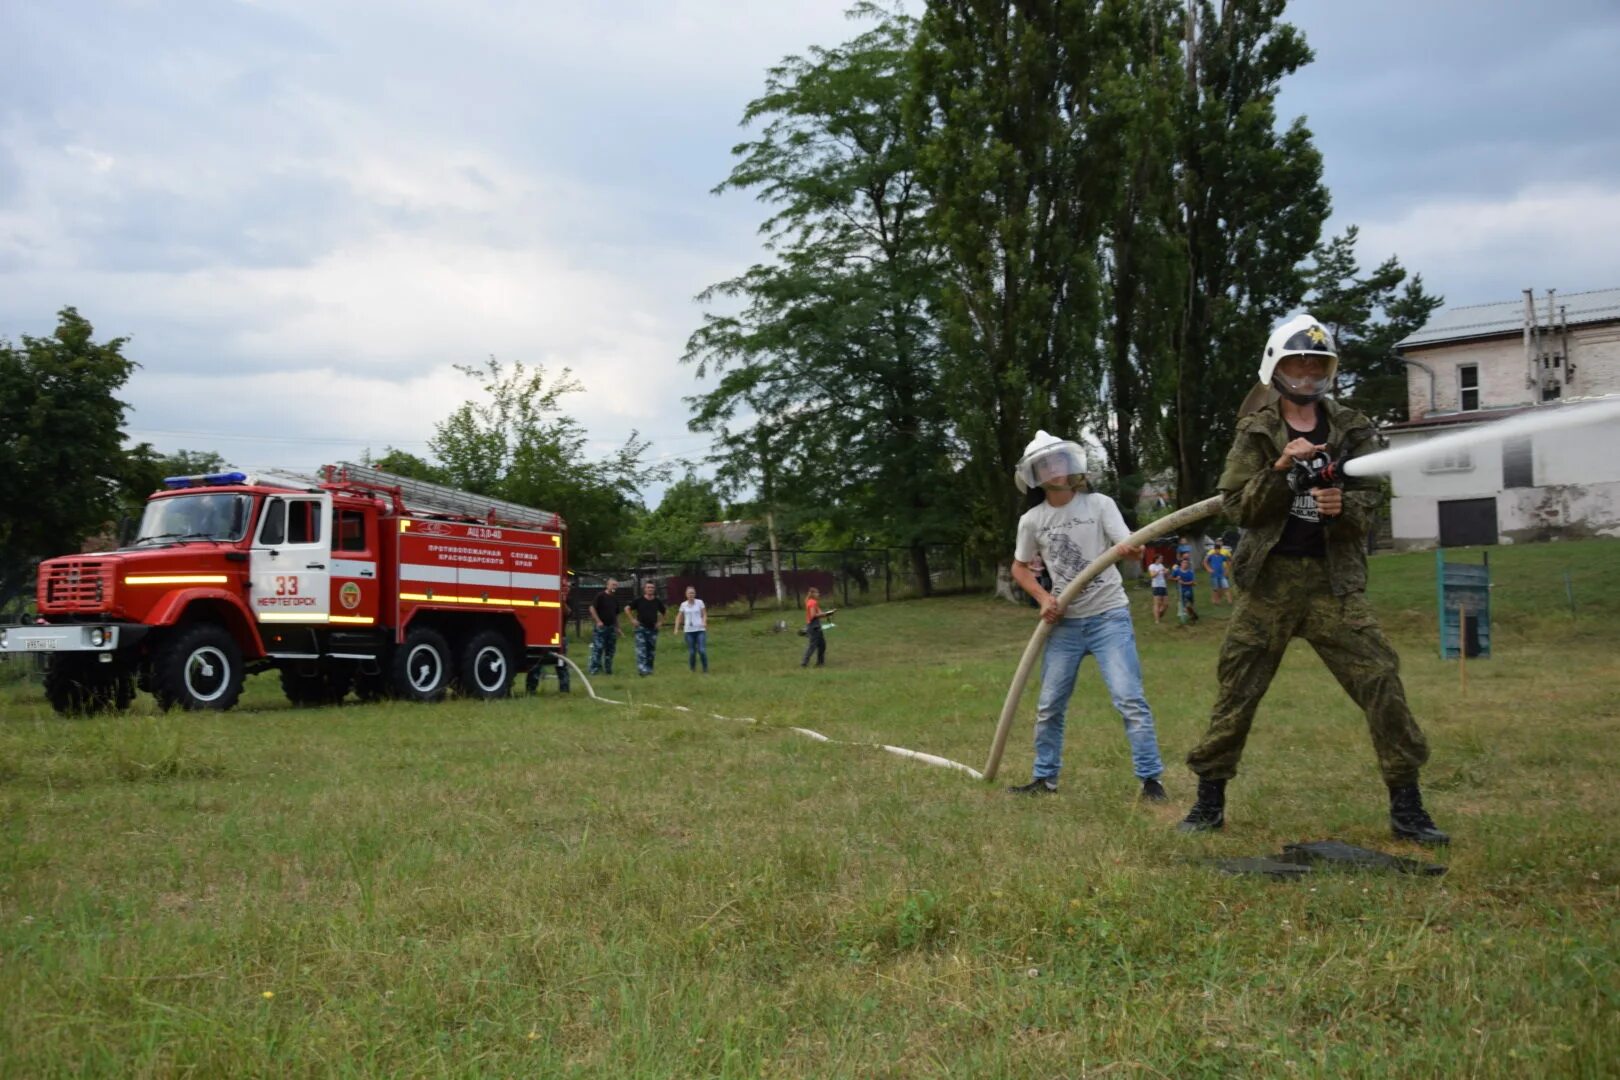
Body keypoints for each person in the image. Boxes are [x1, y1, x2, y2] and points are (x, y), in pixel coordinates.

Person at [1177, 314, 1448, 845]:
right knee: (1237, 691)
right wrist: (1280, 470)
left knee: (1381, 680)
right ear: (1275, 368)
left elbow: (1372, 502)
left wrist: (1340, 506)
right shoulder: (1256, 430)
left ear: (1330, 372)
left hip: (1333, 584)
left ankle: (1408, 808)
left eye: (1317, 367)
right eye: (1297, 366)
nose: (1306, 377)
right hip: (1269, 585)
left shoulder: (1354, 427)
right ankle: (1209, 802)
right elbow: (1237, 508)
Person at [1008, 431, 1169, 802]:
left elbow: (1126, 545)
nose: (1056, 469)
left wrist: (1132, 551)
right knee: (1049, 706)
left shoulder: (1099, 504)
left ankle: (1151, 781)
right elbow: (1019, 569)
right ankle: (1044, 779)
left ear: (1073, 464)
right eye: (1046, 464)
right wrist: (1043, 597)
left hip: (1109, 617)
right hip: (1063, 625)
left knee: (1129, 698)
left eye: (1060, 461)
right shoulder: (1032, 520)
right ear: (1035, 474)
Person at [527, 571, 574, 693]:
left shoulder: (568, 601)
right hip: (543, 636)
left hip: (560, 637)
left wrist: (561, 599)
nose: (567, 589)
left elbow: (567, 612)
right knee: (536, 663)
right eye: (564, 586)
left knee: (561, 664)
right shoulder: (548, 598)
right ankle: (530, 690)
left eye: (568, 587)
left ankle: (564, 690)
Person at [586, 578, 624, 676]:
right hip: (601, 628)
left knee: (610, 650)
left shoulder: (615, 599)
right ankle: (594, 669)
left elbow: (616, 615)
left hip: (611, 628)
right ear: (607, 585)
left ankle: (608, 670)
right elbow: (592, 608)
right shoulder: (601, 596)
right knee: (598, 649)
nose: (614, 587)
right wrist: (598, 621)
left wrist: (618, 628)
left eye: (616, 585)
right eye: (612, 585)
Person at [630, 580, 667, 676]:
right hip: (641, 628)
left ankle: (649, 670)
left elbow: (664, 612)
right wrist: (632, 620)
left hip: (653, 629)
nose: (650, 589)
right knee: (642, 650)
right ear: (644, 589)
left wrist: (660, 622)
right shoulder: (639, 600)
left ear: (654, 589)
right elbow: (627, 608)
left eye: (652, 588)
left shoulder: (657, 601)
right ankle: (642, 670)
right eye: (648, 587)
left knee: (651, 651)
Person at [674, 584, 709, 673]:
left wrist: (704, 622)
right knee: (692, 652)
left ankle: (705, 669)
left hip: (700, 630)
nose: (691, 595)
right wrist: (676, 628)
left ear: (695, 594)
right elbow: (679, 617)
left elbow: (704, 614)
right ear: (686, 594)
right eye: (689, 593)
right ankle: (692, 669)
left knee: (701, 650)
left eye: (692, 593)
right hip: (689, 631)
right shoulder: (683, 605)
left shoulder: (700, 602)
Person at [801, 587, 837, 668]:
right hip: (814, 626)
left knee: (822, 645)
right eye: (817, 593)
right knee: (812, 646)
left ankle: (820, 663)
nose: (818, 594)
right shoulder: (812, 603)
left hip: (816, 625)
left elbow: (820, 613)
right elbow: (813, 615)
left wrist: (829, 613)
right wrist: (826, 614)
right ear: (812, 594)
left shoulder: (813, 602)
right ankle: (804, 662)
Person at [1171, 555, 1199, 625]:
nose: (1185, 564)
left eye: (1186, 563)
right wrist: (1176, 579)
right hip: (1181, 591)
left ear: (1188, 564)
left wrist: (1184, 583)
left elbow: (1193, 582)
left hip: (1189, 590)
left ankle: (1193, 616)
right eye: (1183, 563)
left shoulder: (1190, 572)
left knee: (1190, 605)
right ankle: (1193, 617)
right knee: (1186, 606)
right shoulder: (1177, 571)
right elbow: (1170, 578)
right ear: (1181, 563)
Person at [1147, 554, 1170, 625]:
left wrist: (1166, 572)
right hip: (1156, 586)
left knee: (1166, 604)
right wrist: (1159, 571)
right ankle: (1157, 620)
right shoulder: (1152, 566)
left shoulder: (1161, 565)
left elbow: (1165, 576)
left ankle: (1159, 614)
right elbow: (1152, 575)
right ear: (1156, 559)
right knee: (1157, 603)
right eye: (1161, 558)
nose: (1162, 559)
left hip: (1163, 585)